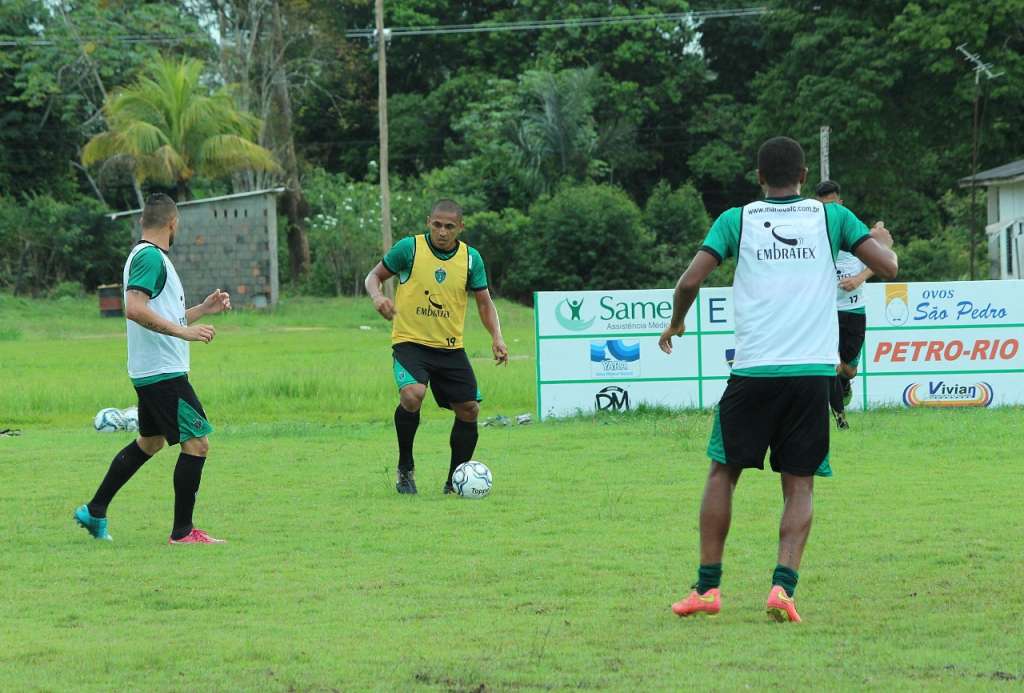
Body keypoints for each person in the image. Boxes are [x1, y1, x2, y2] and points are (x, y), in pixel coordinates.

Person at [659, 137, 897, 622]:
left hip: (753, 370)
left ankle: (707, 589)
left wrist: (678, 320)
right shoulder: (833, 218)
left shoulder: (736, 219)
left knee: (723, 472)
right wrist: (885, 246)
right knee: (800, 484)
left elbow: (688, 281)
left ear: (758, 177)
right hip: (812, 373)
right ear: (805, 176)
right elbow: (887, 265)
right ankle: (782, 589)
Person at [74, 193, 231, 544]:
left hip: (152, 372)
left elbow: (161, 315)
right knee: (198, 444)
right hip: (163, 374)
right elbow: (134, 308)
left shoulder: (149, 257)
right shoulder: (149, 257)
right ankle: (183, 532)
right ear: (173, 223)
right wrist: (185, 332)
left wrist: (201, 311)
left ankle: (94, 510)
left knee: (150, 441)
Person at [365, 199, 509, 495]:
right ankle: (405, 469)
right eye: (437, 225)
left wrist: (497, 337)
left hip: (450, 349)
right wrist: (378, 297)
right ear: (428, 222)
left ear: (460, 227)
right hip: (410, 342)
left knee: (469, 409)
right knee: (413, 394)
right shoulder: (410, 248)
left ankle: (455, 482)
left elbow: (484, 303)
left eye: (449, 227)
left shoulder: (471, 259)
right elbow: (373, 277)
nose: (442, 232)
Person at [815, 180, 880, 430]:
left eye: (833, 204)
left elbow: (879, 261)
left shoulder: (854, 232)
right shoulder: (814, 238)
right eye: (824, 206)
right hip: (825, 312)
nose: (830, 211)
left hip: (853, 310)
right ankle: (840, 418)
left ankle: (844, 384)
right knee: (832, 364)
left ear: (840, 203)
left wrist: (858, 279)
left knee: (848, 369)